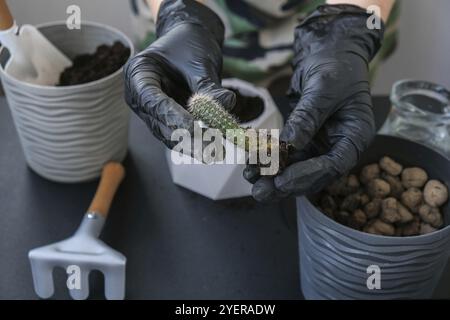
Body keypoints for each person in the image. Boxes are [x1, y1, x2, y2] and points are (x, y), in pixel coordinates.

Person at [124, 0, 396, 202]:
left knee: (328, 110)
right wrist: (178, 12)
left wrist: (347, 31)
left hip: (332, 12)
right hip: (193, 22)